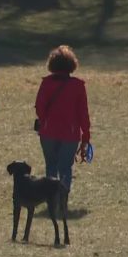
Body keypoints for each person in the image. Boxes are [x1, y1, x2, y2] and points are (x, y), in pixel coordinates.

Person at [34, 45, 91, 202]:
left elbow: (39, 107)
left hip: (48, 133)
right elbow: (83, 114)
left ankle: (51, 199)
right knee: (65, 167)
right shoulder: (78, 86)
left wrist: (45, 121)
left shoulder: (46, 83)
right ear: (71, 65)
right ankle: (63, 198)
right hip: (70, 134)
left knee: (51, 166)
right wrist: (86, 136)